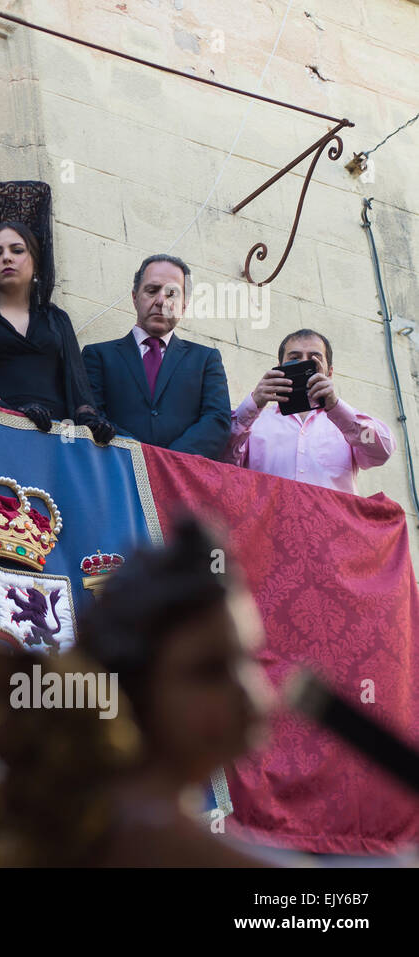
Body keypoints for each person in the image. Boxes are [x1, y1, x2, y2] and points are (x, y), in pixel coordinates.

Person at [76, 516, 274, 866]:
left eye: (248, 658)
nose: (245, 689)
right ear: (136, 688)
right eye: (210, 671)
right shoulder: (150, 836)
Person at [0, 181, 115, 444]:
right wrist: (7, 411)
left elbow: (76, 381)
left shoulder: (56, 318)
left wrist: (90, 419)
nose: (6, 258)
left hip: (57, 435)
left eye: (17, 250)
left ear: (35, 261)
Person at [82, 254, 230, 459]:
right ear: (134, 297)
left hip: (181, 479)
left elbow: (217, 421)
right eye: (152, 291)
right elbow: (92, 416)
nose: (161, 301)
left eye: (172, 294)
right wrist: (140, 456)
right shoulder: (97, 356)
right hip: (116, 474)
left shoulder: (206, 360)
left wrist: (168, 461)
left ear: (184, 306)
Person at [226, 328, 394, 494]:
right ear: (279, 368)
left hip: (332, 521)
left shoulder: (348, 424)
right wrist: (253, 403)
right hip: (267, 520)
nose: (303, 363)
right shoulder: (255, 423)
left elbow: (381, 451)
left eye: (314, 358)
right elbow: (221, 461)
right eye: (294, 358)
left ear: (329, 372)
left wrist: (336, 406)